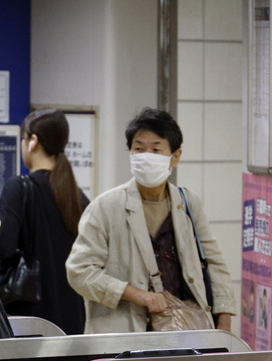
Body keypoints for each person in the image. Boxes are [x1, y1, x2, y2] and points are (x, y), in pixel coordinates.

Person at [66, 108, 236, 333]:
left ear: (175, 157)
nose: (146, 156)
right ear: (130, 152)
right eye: (139, 148)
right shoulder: (105, 207)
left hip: (184, 331)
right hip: (123, 332)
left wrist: (223, 321)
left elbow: (214, 262)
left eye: (156, 149)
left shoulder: (188, 203)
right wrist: (136, 294)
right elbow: (79, 271)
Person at [0, 109, 89, 334]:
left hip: (30, 320)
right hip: (72, 318)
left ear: (33, 141)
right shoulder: (77, 197)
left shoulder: (19, 187)